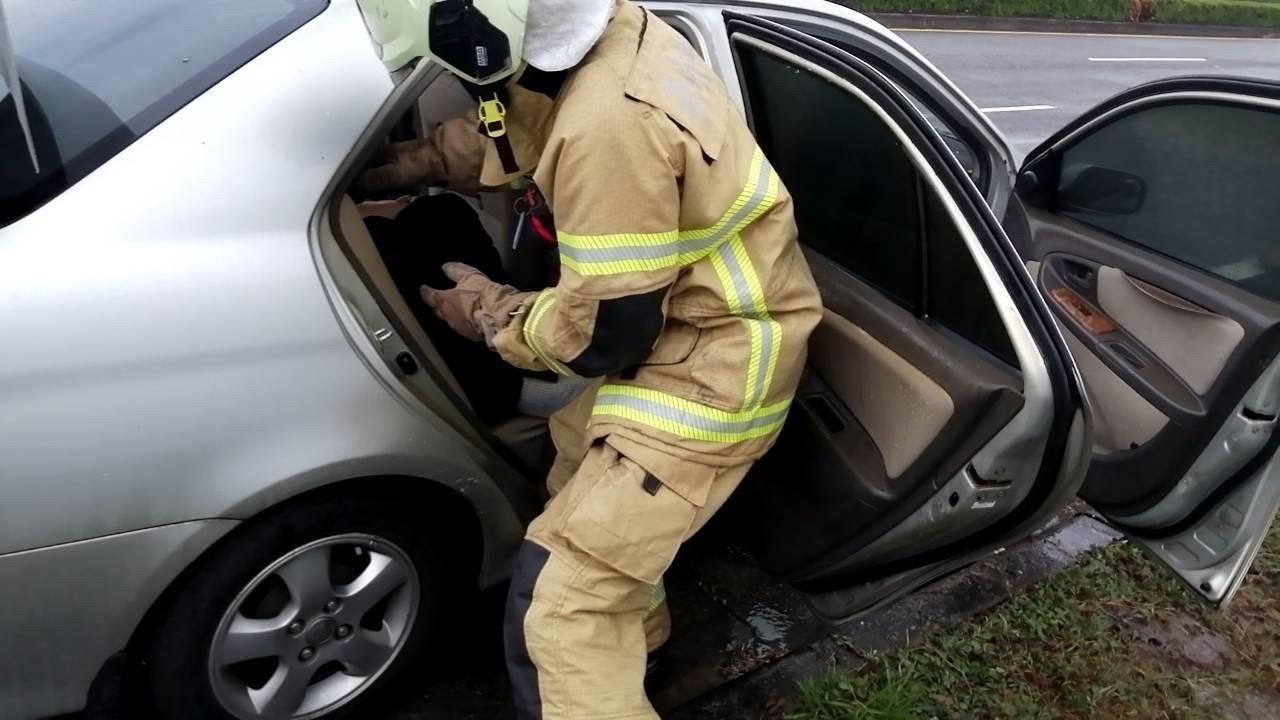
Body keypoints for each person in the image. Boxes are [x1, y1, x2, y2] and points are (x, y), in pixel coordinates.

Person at [355, 0, 823, 716]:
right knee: (573, 468)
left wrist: (484, 311)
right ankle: (644, 639)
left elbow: (605, 335)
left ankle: (601, 662)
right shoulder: (611, 36)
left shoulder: (611, 128)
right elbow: (522, 127)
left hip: (710, 380)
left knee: (560, 611)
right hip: (683, 344)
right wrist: (407, 165)